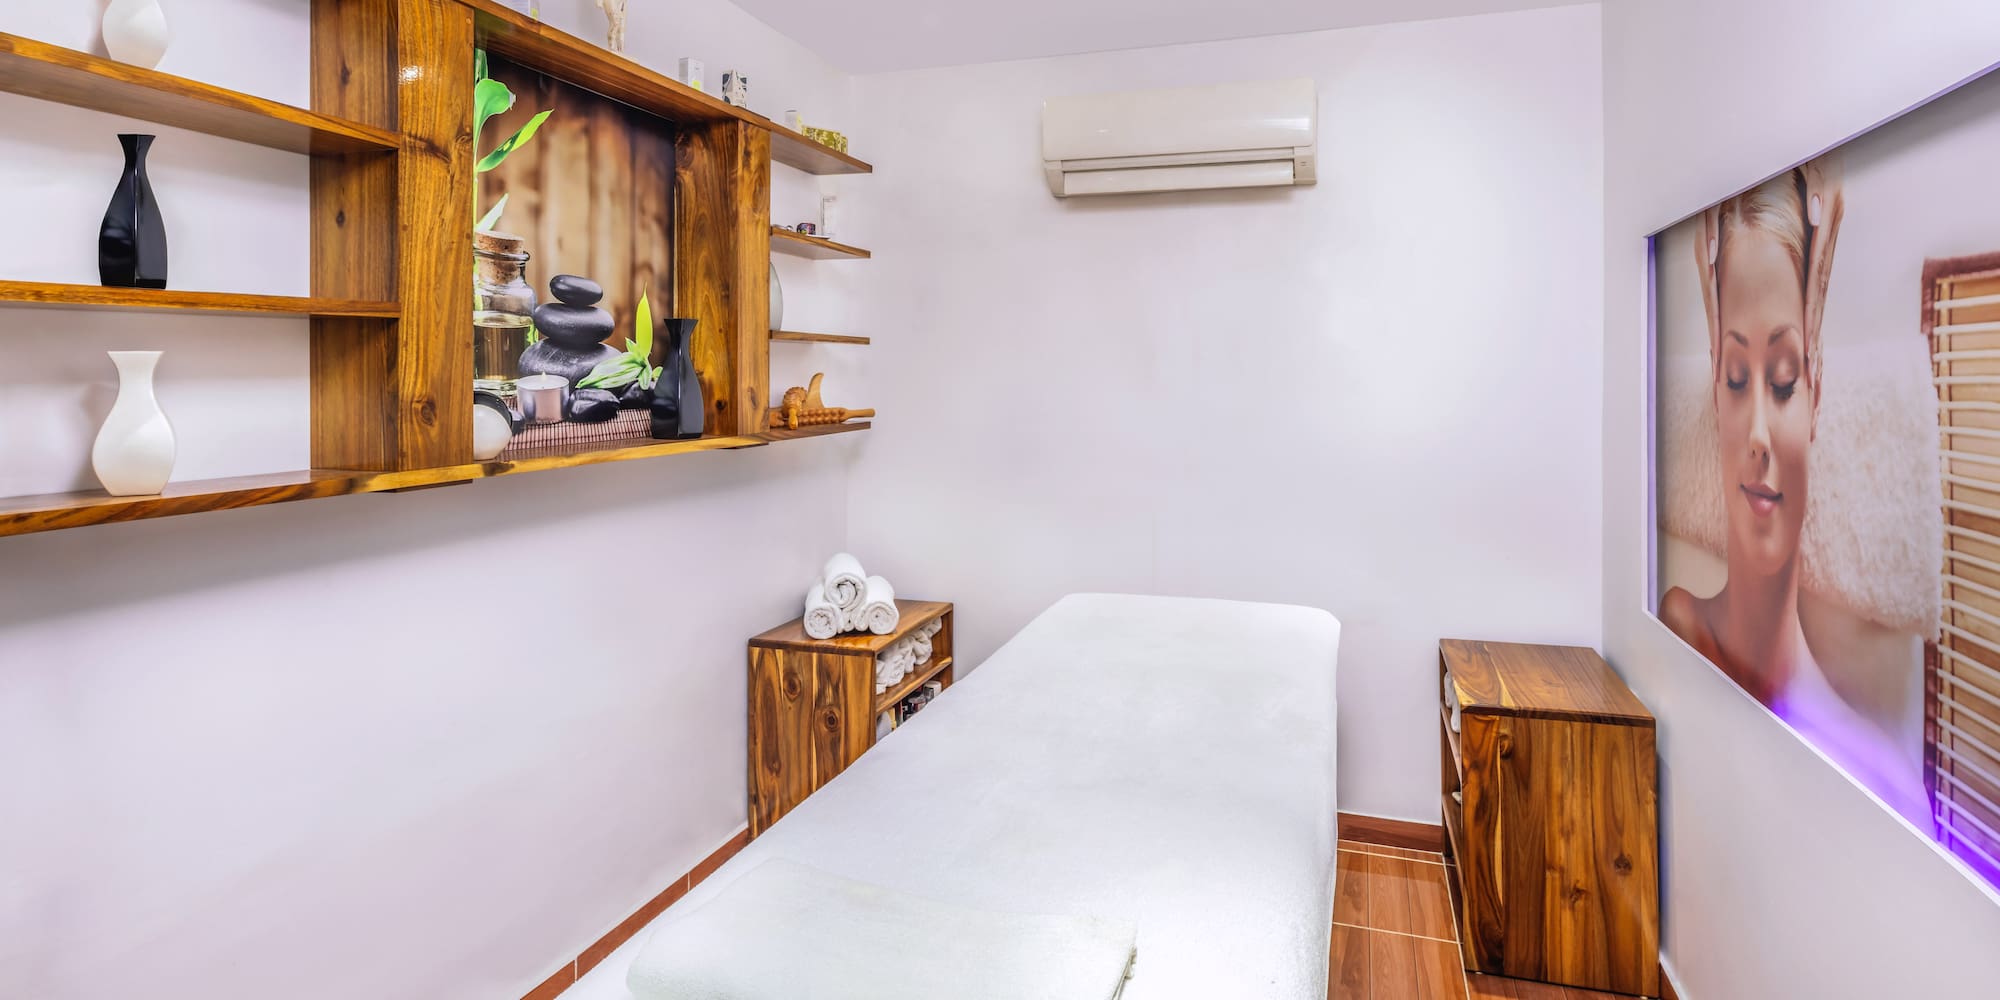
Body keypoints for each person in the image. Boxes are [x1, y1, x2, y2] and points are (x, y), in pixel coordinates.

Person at [1659, 160, 1841, 706]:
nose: (1758, 433)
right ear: (1717, 391)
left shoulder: (1847, 738)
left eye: (1784, 381)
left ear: (1816, 396)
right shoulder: (1676, 624)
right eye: (1736, 378)